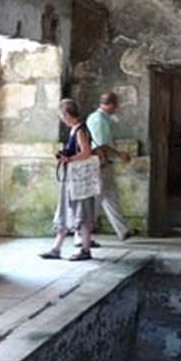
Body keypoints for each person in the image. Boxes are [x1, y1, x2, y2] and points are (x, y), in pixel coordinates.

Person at [40, 99, 96, 261]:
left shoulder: (79, 130)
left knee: (81, 211)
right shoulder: (75, 129)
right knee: (66, 210)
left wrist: (69, 159)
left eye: (62, 116)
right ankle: (56, 248)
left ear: (67, 114)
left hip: (79, 179)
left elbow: (86, 152)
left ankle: (85, 249)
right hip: (73, 178)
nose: (62, 119)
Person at [81, 91, 135, 246]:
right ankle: (82, 235)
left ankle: (123, 230)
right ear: (110, 104)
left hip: (104, 163)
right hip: (100, 163)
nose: (117, 108)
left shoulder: (100, 119)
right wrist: (120, 155)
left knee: (110, 198)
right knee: (96, 200)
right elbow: (101, 144)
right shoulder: (99, 120)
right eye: (115, 105)